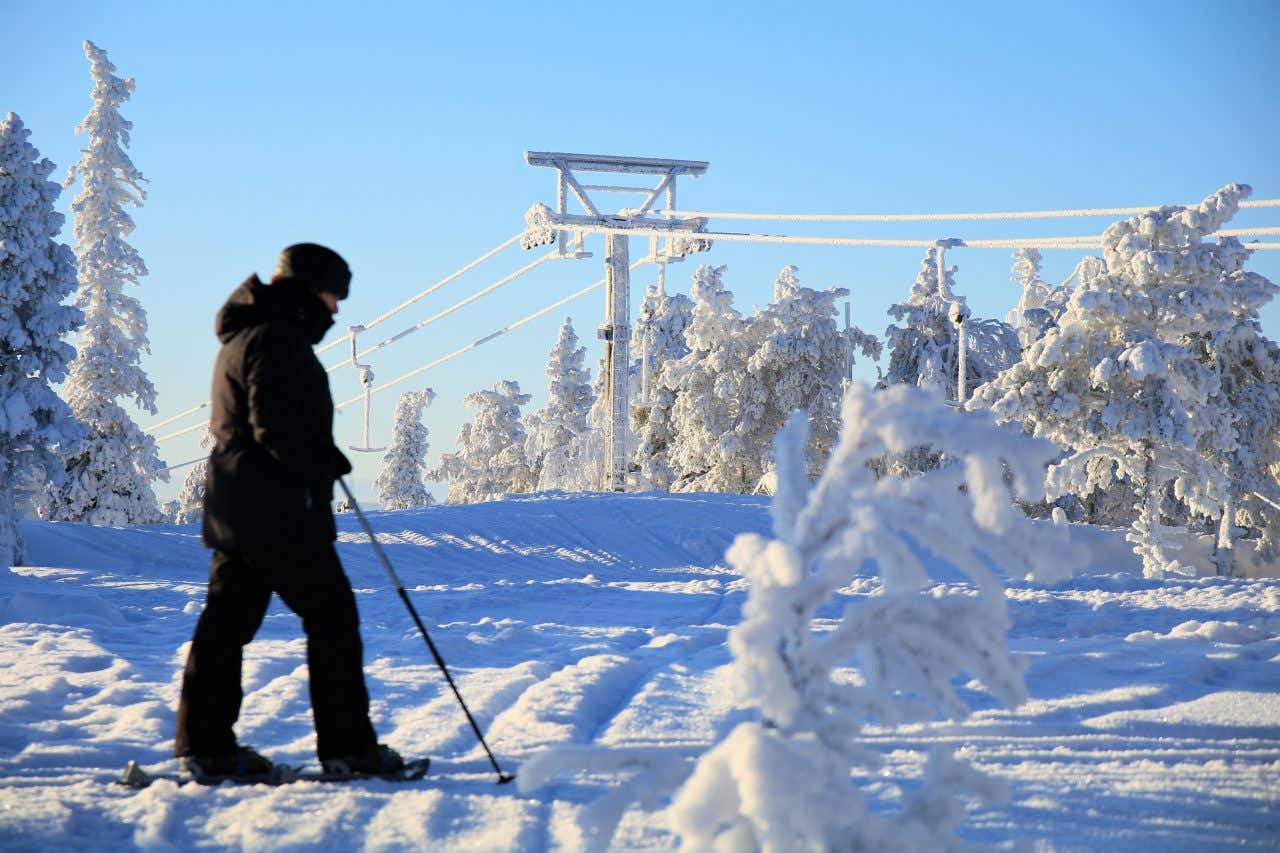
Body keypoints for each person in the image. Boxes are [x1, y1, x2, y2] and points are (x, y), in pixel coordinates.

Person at [174, 243, 403, 779]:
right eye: (331, 295)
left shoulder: (247, 335)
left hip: (239, 507)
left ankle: (204, 746)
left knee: (225, 626)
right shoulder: (277, 340)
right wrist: (320, 461)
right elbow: (274, 425)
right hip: (278, 511)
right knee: (333, 619)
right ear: (305, 291)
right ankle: (349, 747)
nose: (336, 309)